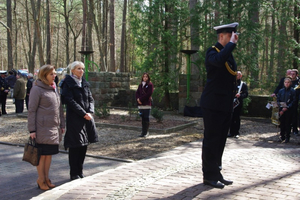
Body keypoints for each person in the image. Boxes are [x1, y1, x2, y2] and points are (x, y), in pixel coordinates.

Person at [200, 22, 239, 189]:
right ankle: (208, 175)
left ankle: (216, 172)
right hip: (213, 104)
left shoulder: (227, 54)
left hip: (225, 104)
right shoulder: (212, 52)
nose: (234, 39)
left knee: (221, 140)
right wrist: (230, 45)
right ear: (222, 36)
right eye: (231, 36)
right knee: (211, 140)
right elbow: (217, 62)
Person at [27, 64, 65, 191]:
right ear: (44, 75)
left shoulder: (54, 88)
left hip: (53, 128)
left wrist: (62, 125)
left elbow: (59, 109)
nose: (54, 76)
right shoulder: (37, 89)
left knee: (49, 155)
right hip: (41, 128)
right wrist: (32, 130)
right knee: (42, 155)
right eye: (51, 74)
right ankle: (41, 179)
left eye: (55, 73)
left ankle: (47, 178)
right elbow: (31, 110)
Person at [61, 61, 98, 181]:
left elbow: (91, 99)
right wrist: (83, 113)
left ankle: (80, 170)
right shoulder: (67, 83)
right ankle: (74, 172)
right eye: (78, 69)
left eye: (82, 69)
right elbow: (69, 101)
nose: (81, 71)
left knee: (84, 145)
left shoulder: (85, 83)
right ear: (72, 70)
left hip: (87, 118)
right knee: (75, 145)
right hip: (75, 119)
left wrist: (90, 112)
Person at [228, 71, 248, 138]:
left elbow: (246, 94)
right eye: (236, 75)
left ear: (241, 76)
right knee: (231, 117)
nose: (237, 76)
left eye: (238, 75)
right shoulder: (232, 83)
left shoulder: (243, 84)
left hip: (238, 103)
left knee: (237, 118)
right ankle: (231, 132)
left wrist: (240, 95)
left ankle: (236, 132)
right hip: (231, 103)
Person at [277, 77, 296, 143]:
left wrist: (287, 107)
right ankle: (282, 136)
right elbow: (278, 99)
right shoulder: (281, 91)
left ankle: (287, 137)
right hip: (281, 109)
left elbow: (294, 101)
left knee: (288, 124)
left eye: (288, 82)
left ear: (290, 83)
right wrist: (280, 107)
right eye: (285, 82)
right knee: (282, 123)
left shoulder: (293, 91)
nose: (287, 84)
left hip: (289, 110)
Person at [135, 72, 154, 137]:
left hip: (146, 104)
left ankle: (146, 132)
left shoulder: (150, 85)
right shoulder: (140, 85)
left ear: (148, 77)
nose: (145, 78)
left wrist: (140, 99)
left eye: (146, 77)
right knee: (142, 118)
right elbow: (137, 92)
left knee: (146, 117)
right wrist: (138, 99)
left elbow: (148, 94)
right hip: (141, 104)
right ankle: (143, 132)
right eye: (144, 77)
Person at [290, 69, 299, 136]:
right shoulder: (288, 81)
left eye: (293, 74)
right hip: (288, 100)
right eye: (291, 74)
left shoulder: (298, 82)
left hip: (295, 101)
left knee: (294, 116)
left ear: (296, 75)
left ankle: (295, 130)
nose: (292, 75)